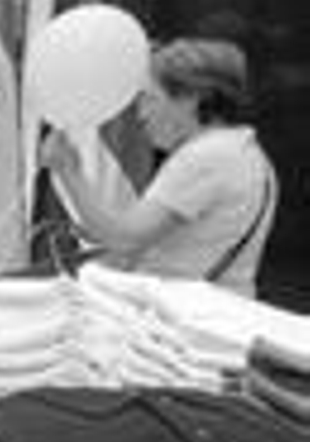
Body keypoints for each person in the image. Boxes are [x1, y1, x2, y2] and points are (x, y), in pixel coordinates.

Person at [42, 38, 277, 297]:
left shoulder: (205, 158)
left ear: (190, 99)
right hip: (214, 313)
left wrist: (68, 170)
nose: (141, 114)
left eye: (150, 99)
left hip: (181, 321)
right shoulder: (245, 151)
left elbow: (124, 239)